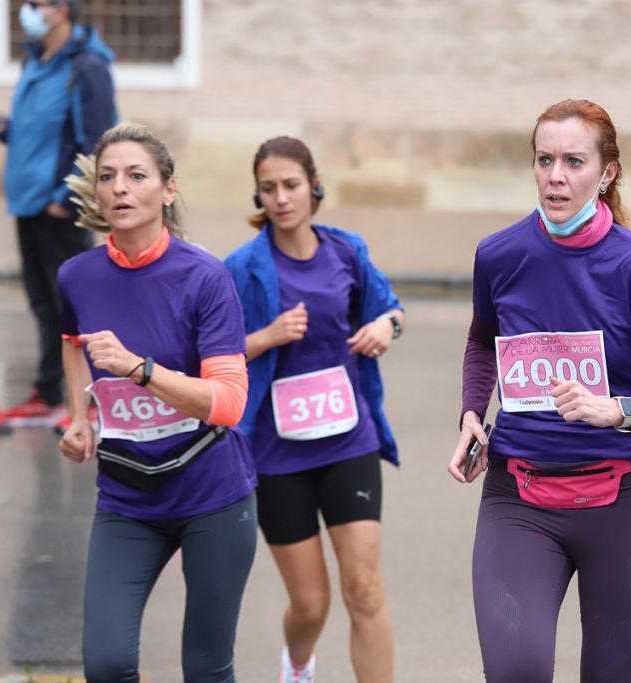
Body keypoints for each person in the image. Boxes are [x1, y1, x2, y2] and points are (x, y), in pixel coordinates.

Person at [449, 99, 631, 683]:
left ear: (606, 172)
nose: (555, 176)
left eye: (573, 161)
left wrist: (618, 411)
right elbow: (483, 343)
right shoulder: (499, 254)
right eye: (544, 160)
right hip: (519, 497)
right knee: (518, 671)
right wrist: (471, 415)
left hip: (629, 502)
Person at [57, 122, 257, 681]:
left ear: (168, 190)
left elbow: (228, 403)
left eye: (136, 175)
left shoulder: (205, 277)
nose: (120, 188)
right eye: (107, 177)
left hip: (212, 496)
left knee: (206, 668)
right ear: (96, 193)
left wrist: (141, 371)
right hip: (127, 498)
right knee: (107, 663)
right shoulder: (77, 276)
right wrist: (80, 417)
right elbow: (73, 342)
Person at [225, 137, 403, 683]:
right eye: (269, 188)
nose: (281, 198)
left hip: (349, 439)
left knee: (365, 589)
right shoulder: (241, 267)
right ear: (258, 194)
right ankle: (298, 663)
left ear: (313, 185)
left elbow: (392, 311)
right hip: (278, 456)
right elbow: (214, 355)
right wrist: (266, 337)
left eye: (291, 185)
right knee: (311, 605)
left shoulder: (346, 250)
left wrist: (384, 327)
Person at [1, 0, 116, 427]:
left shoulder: (86, 68)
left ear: (62, 9)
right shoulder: (38, 61)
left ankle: (89, 397)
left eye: (37, 3)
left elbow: (97, 140)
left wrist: (65, 200)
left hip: (58, 209)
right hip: (29, 204)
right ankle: (49, 391)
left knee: (73, 306)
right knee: (43, 303)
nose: (27, 10)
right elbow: (36, 132)